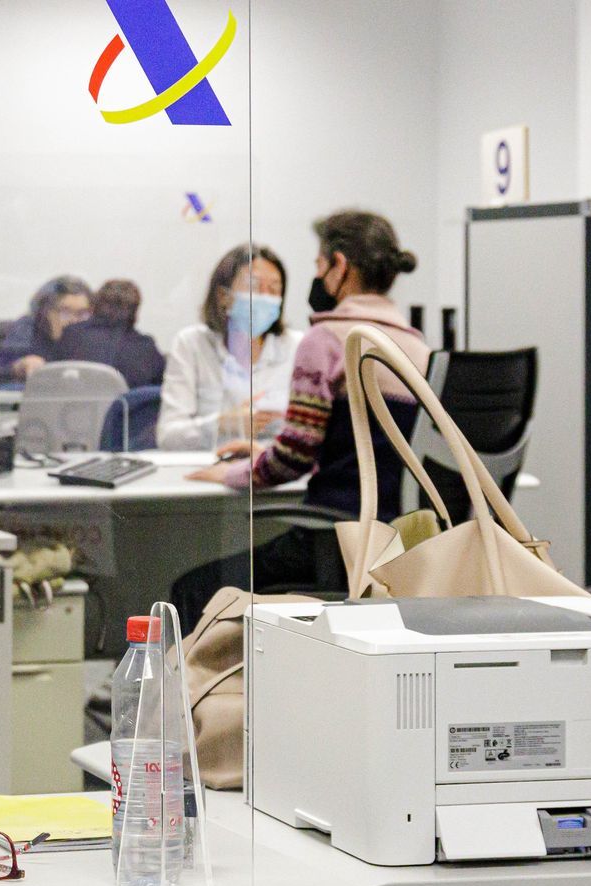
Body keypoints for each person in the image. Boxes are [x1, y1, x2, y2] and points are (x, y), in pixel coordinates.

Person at [172, 211, 428, 626]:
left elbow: (292, 458)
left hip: (332, 537)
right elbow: (364, 446)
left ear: (339, 265)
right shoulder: (417, 348)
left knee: (192, 590)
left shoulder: (326, 339)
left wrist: (232, 474)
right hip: (392, 547)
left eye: (319, 265)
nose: (318, 277)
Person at [157, 244, 303, 451]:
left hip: (274, 466)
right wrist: (223, 424)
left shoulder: (297, 346)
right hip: (210, 465)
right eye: (253, 286)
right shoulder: (192, 344)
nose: (264, 297)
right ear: (223, 295)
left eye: (273, 289)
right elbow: (168, 436)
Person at [51, 278, 165, 389]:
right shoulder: (145, 347)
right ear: (135, 313)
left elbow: (54, 381)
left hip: (79, 402)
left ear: (95, 305)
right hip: (124, 403)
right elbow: (161, 389)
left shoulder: (71, 336)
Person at [0, 275, 91, 384]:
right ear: (45, 311)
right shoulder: (26, 329)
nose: (74, 320)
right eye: (65, 312)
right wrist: (20, 366)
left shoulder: (93, 336)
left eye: (82, 313)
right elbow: (0, 371)